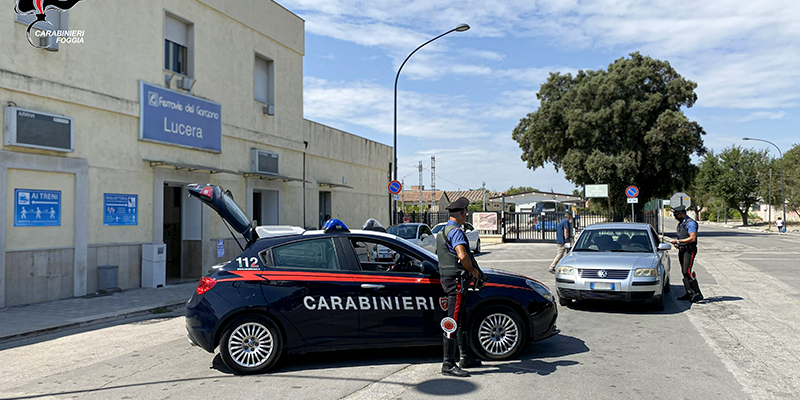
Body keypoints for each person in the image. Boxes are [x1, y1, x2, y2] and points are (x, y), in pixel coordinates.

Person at [436, 196, 482, 378]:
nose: (466, 216)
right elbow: (462, 256)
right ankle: (448, 364)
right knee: (452, 322)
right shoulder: (455, 232)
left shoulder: (443, 231)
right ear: (462, 214)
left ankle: (466, 357)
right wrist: (474, 272)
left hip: (450, 279)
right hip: (455, 281)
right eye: (465, 213)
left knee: (461, 320)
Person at [670, 205, 703, 302]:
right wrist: (679, 244)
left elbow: (692, 238)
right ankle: (689, 292)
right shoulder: (681, 223)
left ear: (681, 214)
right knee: (683, 272)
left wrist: (679, 241)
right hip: (682, 249)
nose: (675, 216)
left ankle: (697, 293)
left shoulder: (691, 223)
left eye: (676, 214)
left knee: (687, 271)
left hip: (689, 250)